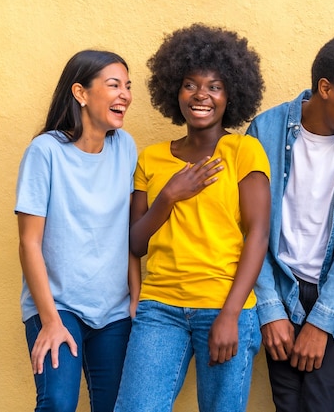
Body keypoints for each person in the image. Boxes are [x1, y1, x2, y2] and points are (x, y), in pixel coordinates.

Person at [113, 24, 270, 412]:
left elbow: (258, 236)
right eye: (190, 84)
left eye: (214, 86)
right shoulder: (150, 159)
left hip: (224, 305)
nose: (201, 95)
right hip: (159, 308)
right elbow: (135, 244)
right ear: (174, 91)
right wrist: (168, 196)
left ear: (231, 94)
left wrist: (231, 314)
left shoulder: (243, 151)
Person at [246, 36, 334, 412]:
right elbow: (249, 229)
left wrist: (321, 323)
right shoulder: (266, 131)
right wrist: (269, 307)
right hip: (281, 291)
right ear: (325, 88)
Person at [15, 49, 138, 412]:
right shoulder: (45, 152)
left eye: (127, 87)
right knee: (57, 402)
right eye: (113, 85)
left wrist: (135, 296)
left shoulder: (125, 148)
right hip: (59, 305)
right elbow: (29, 243)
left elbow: (128, 230)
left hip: (113, 310)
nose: (125, 95)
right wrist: (50, 321)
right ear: (81, 93)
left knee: (116, 406)